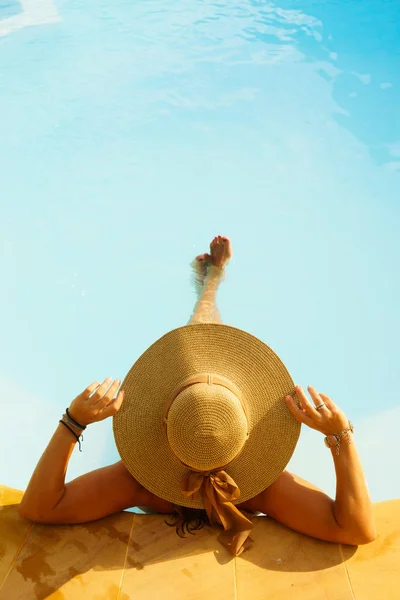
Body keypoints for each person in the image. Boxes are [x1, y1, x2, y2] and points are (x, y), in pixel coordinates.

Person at [18, 236, 376, 556]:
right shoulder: (262, 490)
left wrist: (74, 422)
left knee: (196, 340)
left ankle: (210, 285)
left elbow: (40, 509)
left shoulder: (137, 483)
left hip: (160, 461)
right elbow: (356, 529)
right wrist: (340, 435)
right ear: (248, 430)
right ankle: (212, 284)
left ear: (163, 421)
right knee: (201, 339)